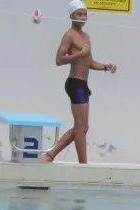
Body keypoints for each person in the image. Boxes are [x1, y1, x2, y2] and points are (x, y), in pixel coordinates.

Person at [44, 0, 117, 165]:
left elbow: (89, 62)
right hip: (75, 84)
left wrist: (106, 67)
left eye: (85, 14)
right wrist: (79, 54)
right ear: (71, 16)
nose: (83, 17)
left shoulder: (86, 37)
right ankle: (82, 165)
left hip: (82, 85)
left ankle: (50, 156)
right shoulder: (69, 35)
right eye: (79, 14)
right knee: (81, 127)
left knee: (82, 127)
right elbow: (59, 60)